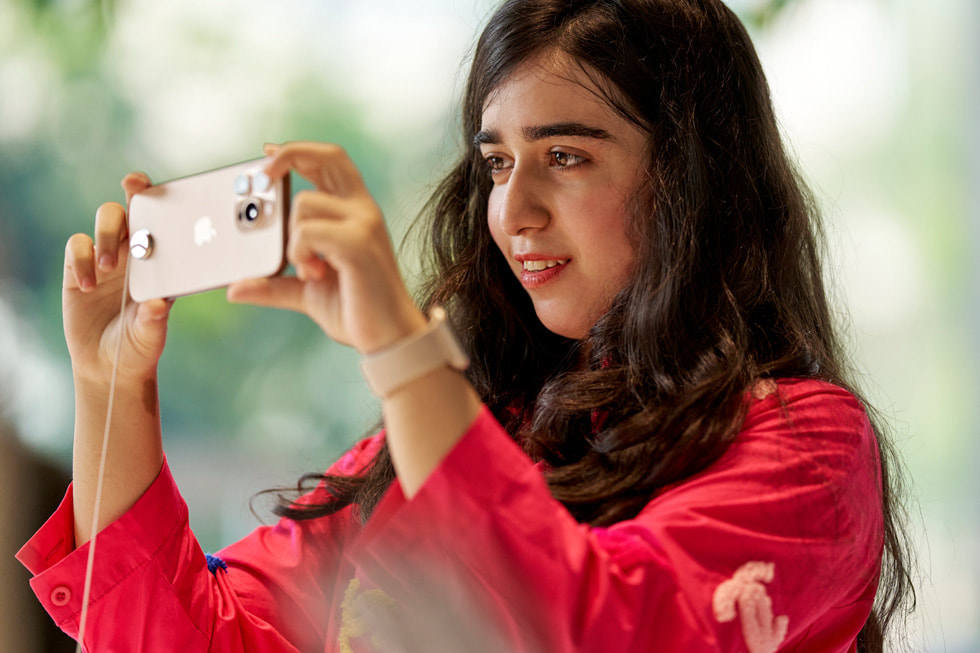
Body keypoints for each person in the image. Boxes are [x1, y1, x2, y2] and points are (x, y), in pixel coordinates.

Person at [18, 0, 915, 651]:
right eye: (496, 163)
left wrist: (405, 357)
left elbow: (599, 629)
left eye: (565, 156)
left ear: (692, 180)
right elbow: (191, 639)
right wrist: (108, 385)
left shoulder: (804, 446)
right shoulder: (462, 430)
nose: (513, 209)